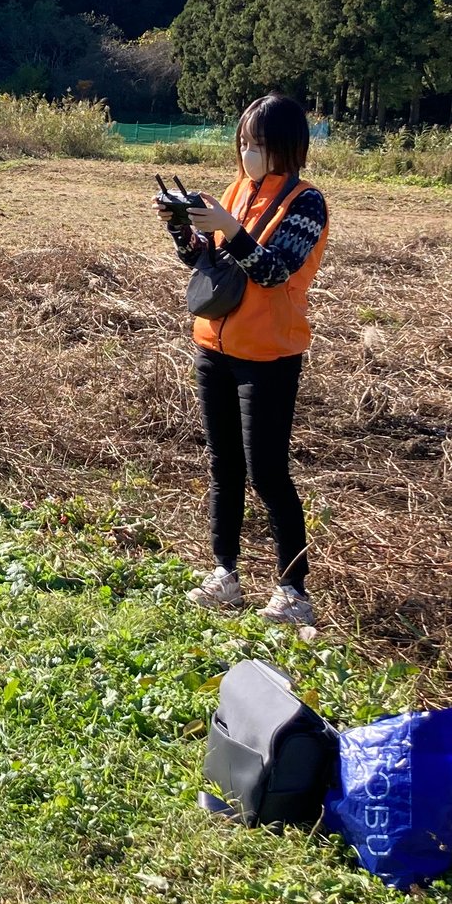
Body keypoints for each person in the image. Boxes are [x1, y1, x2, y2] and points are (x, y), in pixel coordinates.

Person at [155, 94, 329, 627]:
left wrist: (231, 228)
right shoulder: (235, 192)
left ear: (284, 147)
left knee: (268, 473)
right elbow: (203, 262)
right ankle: (224, 574)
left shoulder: (306, 202)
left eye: (257, 145)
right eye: (243, 143)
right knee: (223, 466)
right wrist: (183, 227)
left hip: (269, 356)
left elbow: (275, 272)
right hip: (214, 348)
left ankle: (293, 590)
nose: (247, 154)